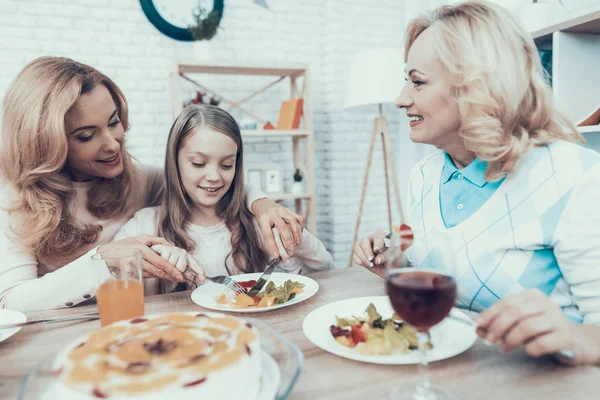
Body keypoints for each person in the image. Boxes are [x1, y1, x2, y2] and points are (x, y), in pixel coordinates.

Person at [353, 1, 600, 365]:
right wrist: (394, 250)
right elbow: (433, 240)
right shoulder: (425, 172)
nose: (401, 99)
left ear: (478, 86)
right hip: (450, 374)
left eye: (417, 81)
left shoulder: (577, 179)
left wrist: (576, 336)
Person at [0, 57, 303, 312]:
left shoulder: (141, 180)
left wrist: (262, 204)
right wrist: (102, 261)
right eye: (86, 136)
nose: (112, 144)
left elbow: (208, 180)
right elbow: (11, 302)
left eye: (114, 122)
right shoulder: (14, 199)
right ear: (45, 144)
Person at [113, 104, 333, 294]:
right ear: (174, 162)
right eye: (199, 163)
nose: (214, 176)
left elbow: (324, 269)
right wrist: (149, 260)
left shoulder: (257, 223)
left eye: (227, 165)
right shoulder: (145, 225)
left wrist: (292, 233)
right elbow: (104, 284)